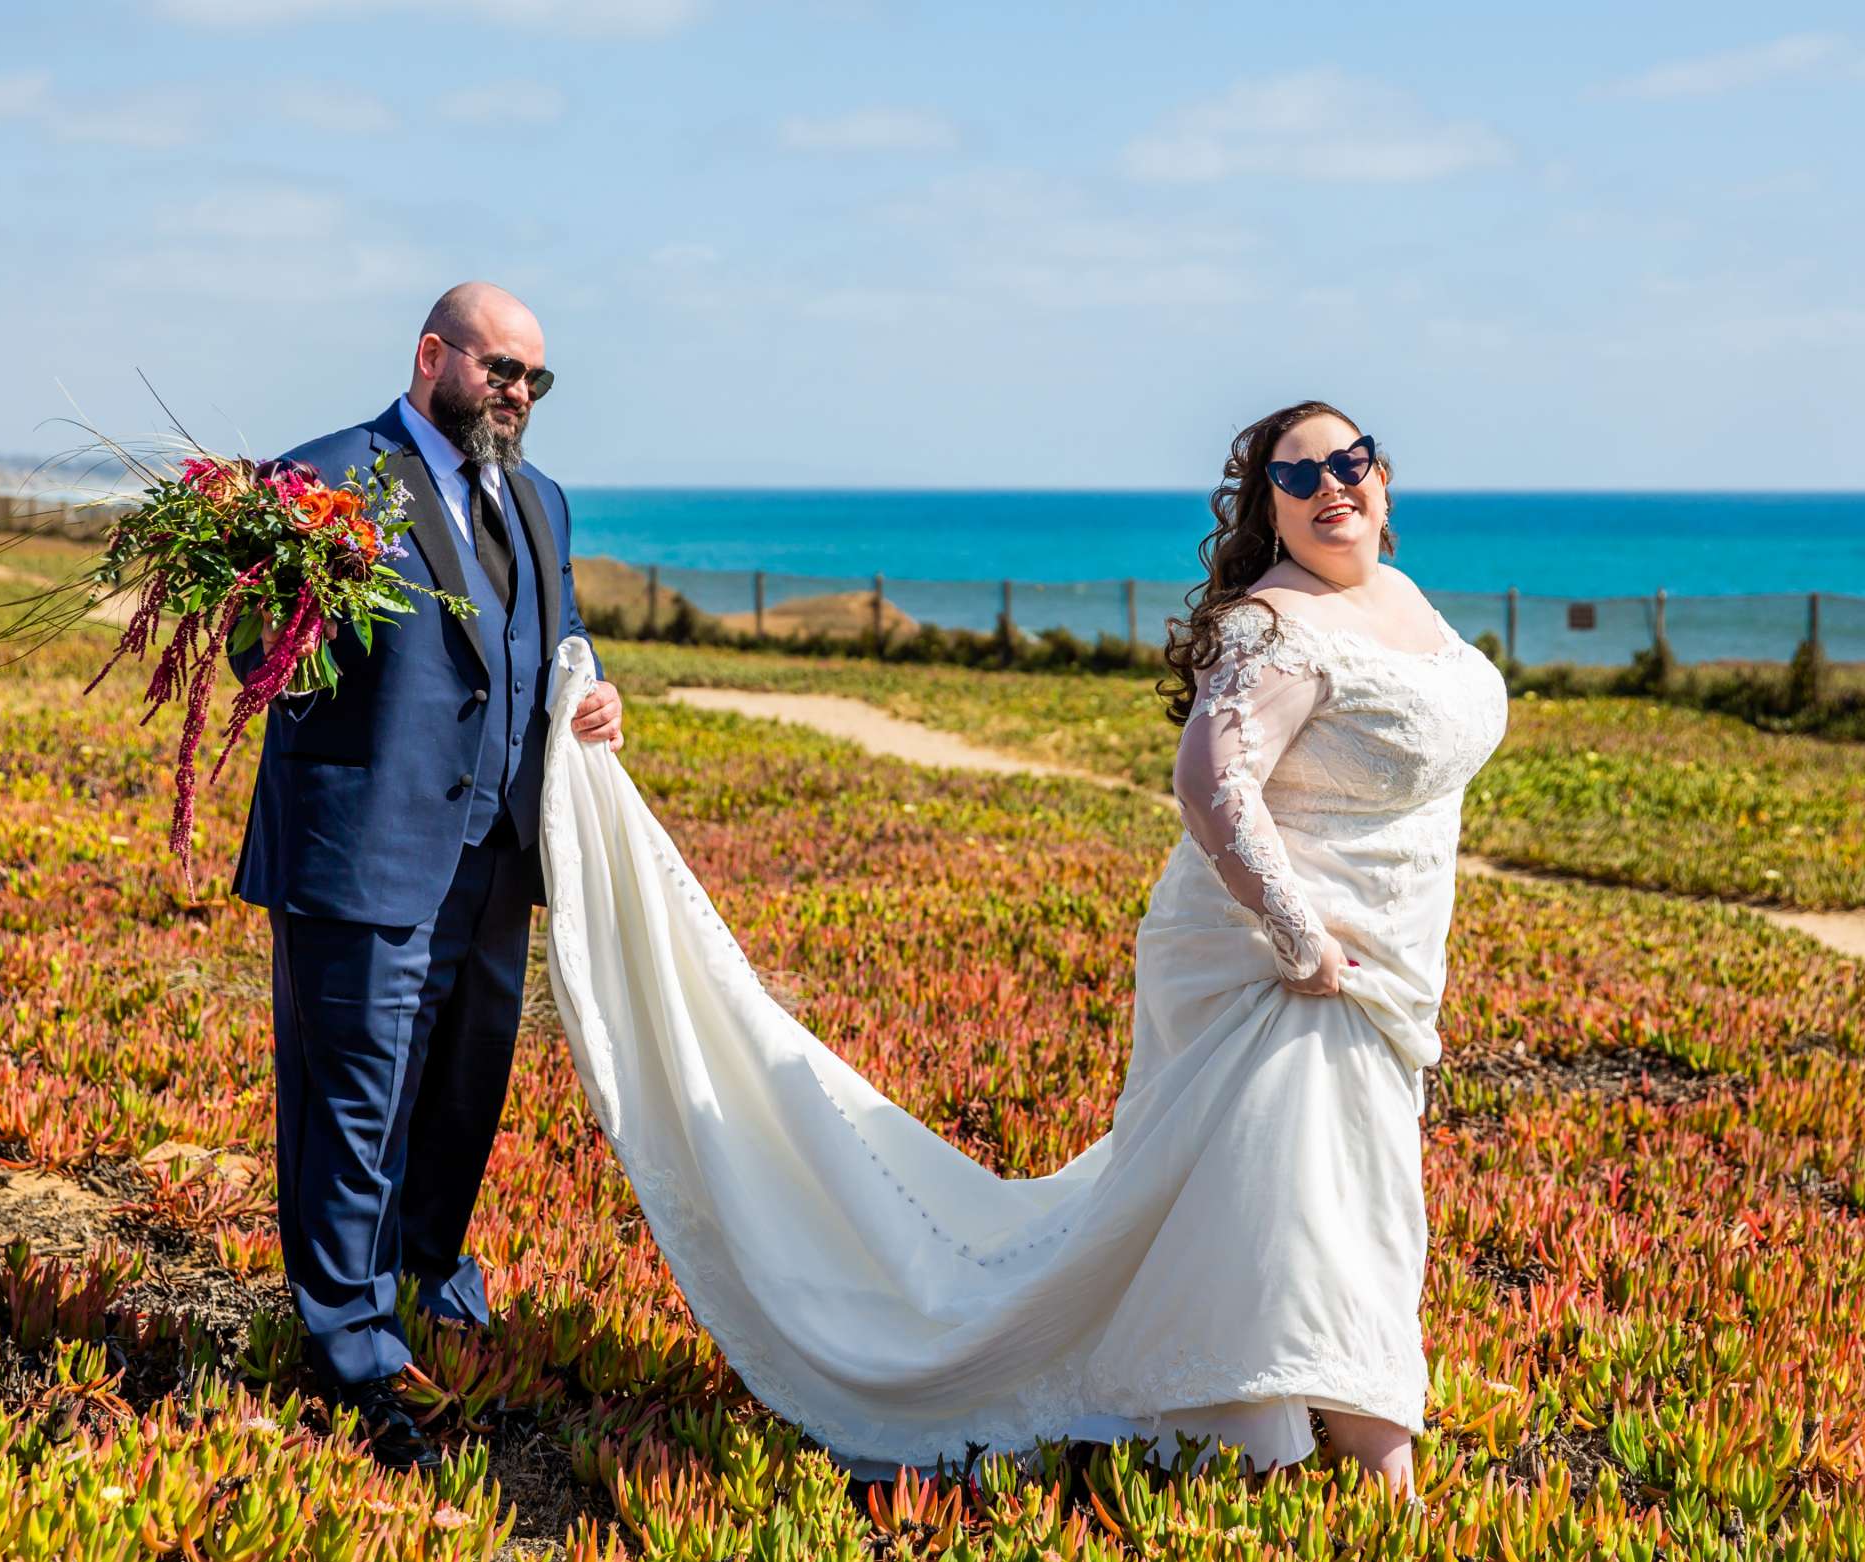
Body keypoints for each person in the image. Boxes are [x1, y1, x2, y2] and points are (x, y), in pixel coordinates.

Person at [533, 398, 1506, 1489]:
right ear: (1267, 510)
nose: (1335, 485)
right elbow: (1210, 781)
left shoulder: (1403, 597)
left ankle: (1305, 1392)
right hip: (1285, 961)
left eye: (1352, 462)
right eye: (1300, 476)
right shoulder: (1274, 626)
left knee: (1317, 1188)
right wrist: (1301, 940)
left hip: (1389, 950)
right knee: (1315, 1188)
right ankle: (1374, 1455)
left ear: (1383, 478)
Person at [230, 282, 623, 1470]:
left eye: (535, 380)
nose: (518, 394)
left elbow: (549, 643)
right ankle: (348, 1342)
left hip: (499, 855)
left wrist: (593, 689)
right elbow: (256, 654)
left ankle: (428, 1278)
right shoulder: (322, 480)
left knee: (462, 1089)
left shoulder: (542, 502)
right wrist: (289, 633)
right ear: (431, 356)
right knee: (354, 1100)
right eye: (501, 369)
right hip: (364, 851)